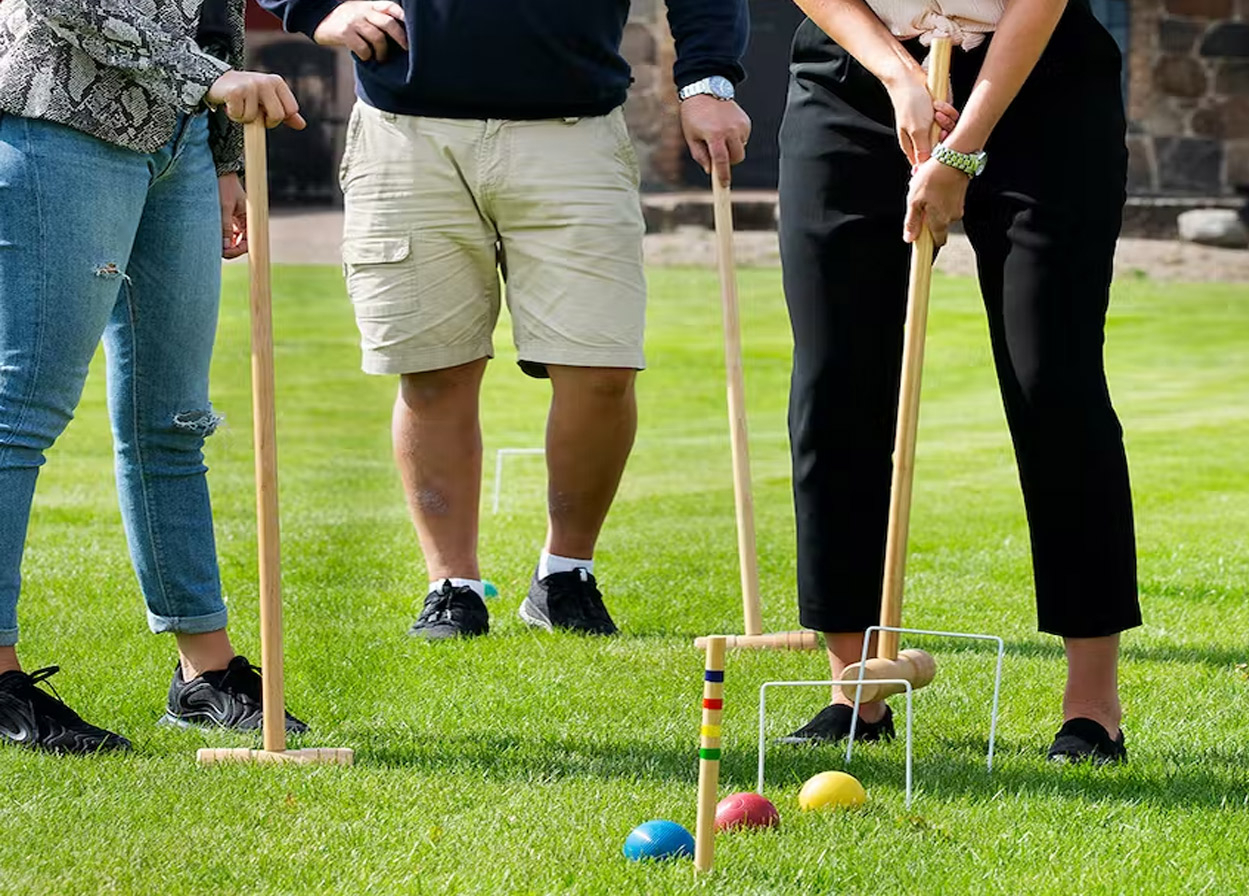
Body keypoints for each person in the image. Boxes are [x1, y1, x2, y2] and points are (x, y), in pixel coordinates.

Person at [259, 0, 752, 639]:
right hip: (407, 131)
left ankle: (565, 575)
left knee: (602, 369)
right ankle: (452, 586)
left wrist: (706, 82)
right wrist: (316, 7)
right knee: (433, 370)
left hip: (575, 127)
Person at [775, 0, 1141, 762]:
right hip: (861, 74)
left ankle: (1092, 709)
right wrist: (897, 72)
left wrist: (963, 151)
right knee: (832, 384)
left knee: (1054, 382)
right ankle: (856, 692)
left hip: (1041, 82)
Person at [0, 0, 310, 752]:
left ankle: (205, 674)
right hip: (61, 122)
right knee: (21, 412)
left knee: (173, 420)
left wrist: (224, 155)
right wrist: (210, 79)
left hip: (181, 147)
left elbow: (216, 13)